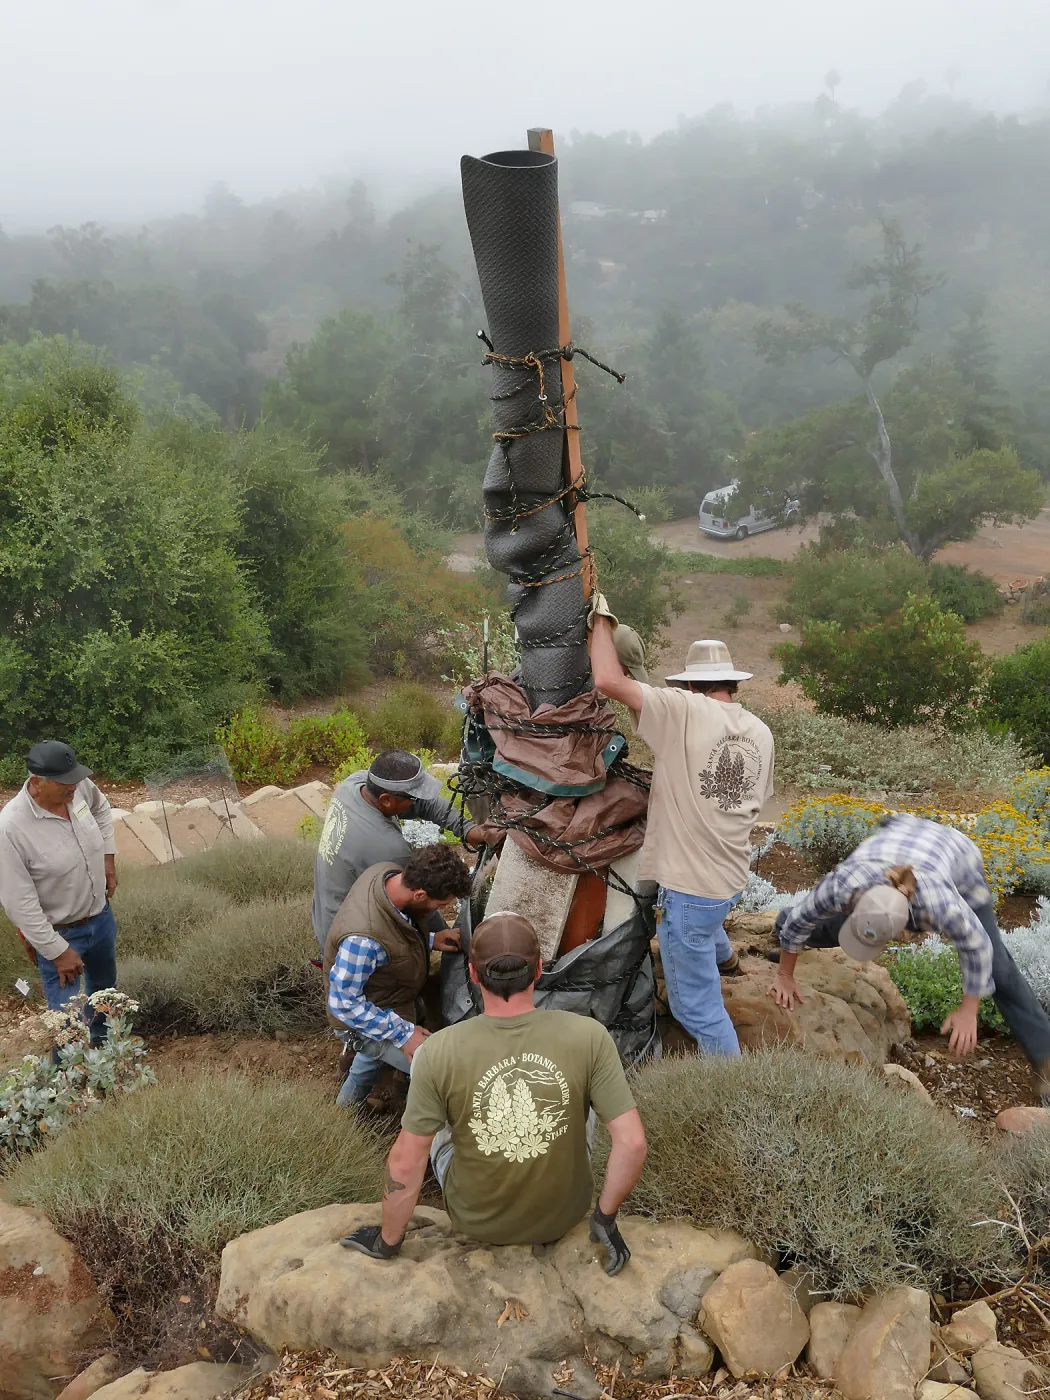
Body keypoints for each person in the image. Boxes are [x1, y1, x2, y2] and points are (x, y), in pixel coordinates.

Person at [341, 912, 647, 1272]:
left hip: (477, 1221)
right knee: (590, 1099)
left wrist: (387, 1241)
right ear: (538, 970)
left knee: (434, 1117)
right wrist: (605, 1218)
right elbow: (632, 1143)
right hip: (564, 1216)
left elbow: (407, 1162)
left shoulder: (437, 1050)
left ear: (472, 973)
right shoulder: (590, 1036)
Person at [589, 608, 774, 1055]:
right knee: (706, 924)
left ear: (690, 685)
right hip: (730, 877)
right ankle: (724, 957)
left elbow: (608, 683)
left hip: (691, 892)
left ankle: (732, 1094)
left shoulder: (683, 710)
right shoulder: (760, 731)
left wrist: (599, 619)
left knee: (696, 1008)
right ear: (733, 684)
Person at [768, 813, 1050, 1103]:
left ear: (904, 932)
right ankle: (781, 924)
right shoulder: (845, 884)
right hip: (897, 842)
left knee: (999, 968)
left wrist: (969, 1009)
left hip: (957, 859)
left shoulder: (944, 907)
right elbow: (805, 917)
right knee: (828, 925)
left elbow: (977, 948)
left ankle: (1046, 1058)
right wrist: (784, 975)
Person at [324, 843, 473, 1109]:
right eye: (439, 905)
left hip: (384, 1000)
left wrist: (430, 939)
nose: (439, 910)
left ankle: (346, 1107)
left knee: (370, 1061)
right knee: (432, 1064)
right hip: (360, 1019)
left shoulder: (386, 875)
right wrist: (404, 1034)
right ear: (419, 895)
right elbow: (344, 1004)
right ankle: (353, 1111)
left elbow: (393, 934)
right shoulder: (362, 940)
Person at [0, 741, 118, 1040]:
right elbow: (18, 903)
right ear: (37, 783)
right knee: (67, 1022)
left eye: (75, 777)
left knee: (104, 997)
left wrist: (107, 858)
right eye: (65, 782)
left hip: (100, 918)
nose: (74, 786)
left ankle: (103, 1059)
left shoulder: (76, 788)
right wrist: (56, 951)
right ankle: (67, 1079)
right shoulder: (11, 828)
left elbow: (102, 808)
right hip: (61, 934)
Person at [313, 749, 482, 953]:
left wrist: (467, 829)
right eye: (413, 797)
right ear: (386, 800)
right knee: (398, 973)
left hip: (326, 909)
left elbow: (425, 804)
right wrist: (447, 939)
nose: (417, 802)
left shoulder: (355, 783)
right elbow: (422, 899)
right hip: (350, 940)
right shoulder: (388, 849)